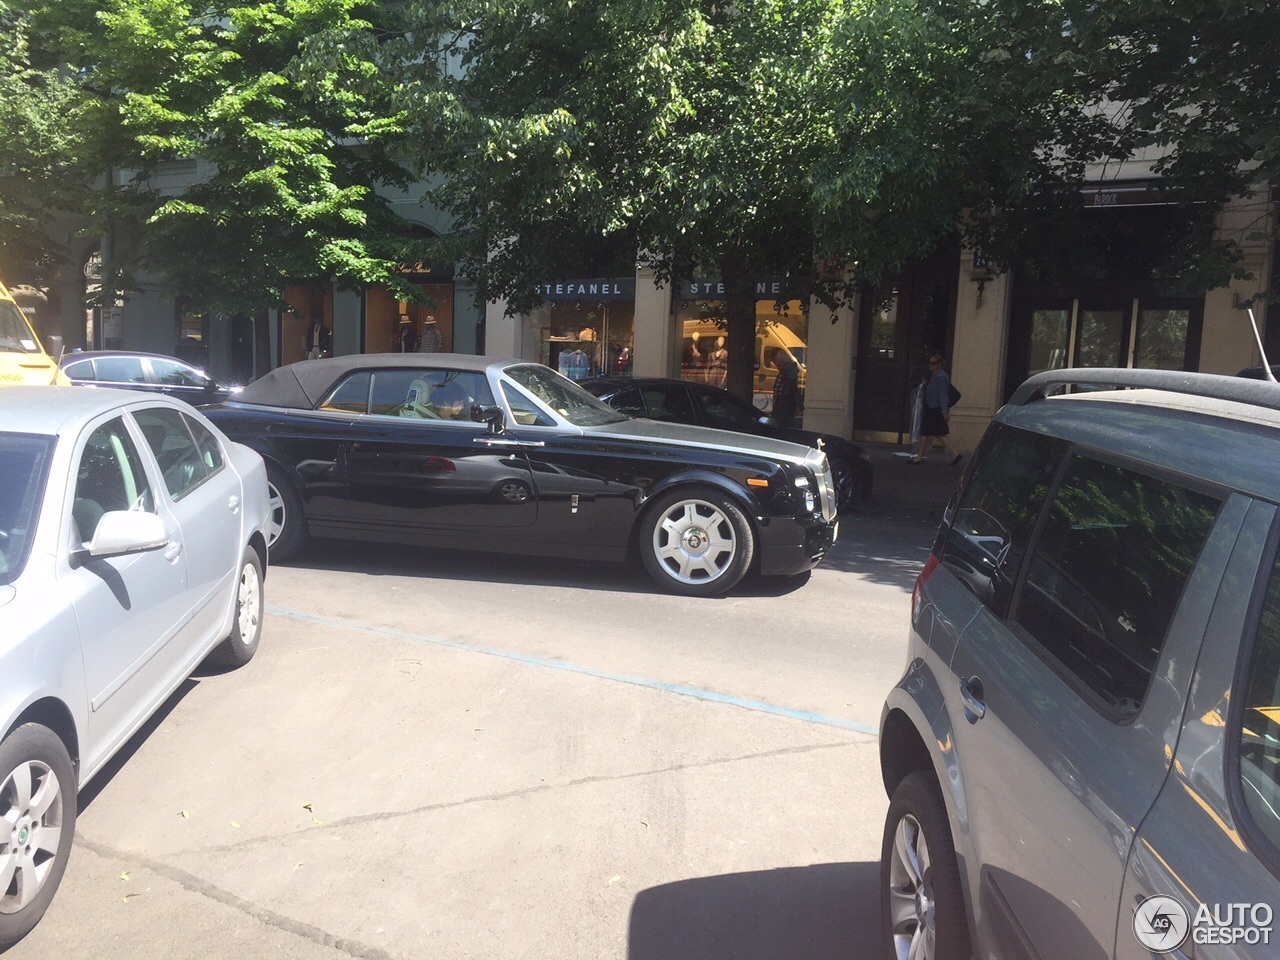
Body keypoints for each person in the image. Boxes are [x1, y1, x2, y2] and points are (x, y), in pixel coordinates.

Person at [913, 353, 963, 465]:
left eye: (933, 363)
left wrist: (944, 411)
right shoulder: (936, 376)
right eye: (930, 363)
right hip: (933, 407)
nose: (930, 365)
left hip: (934, 408)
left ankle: (920, 456)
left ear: (939, 364)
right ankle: (955, 453)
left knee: (927, 432)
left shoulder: (941, 377)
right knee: (938, 433)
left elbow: (943, 395)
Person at [771, 347, 800, 430]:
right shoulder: (787, 370)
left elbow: (792, 387)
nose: (775, 363)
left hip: (783, 400)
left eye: (776, 360)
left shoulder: (786, 370)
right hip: (785, 400)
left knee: (779, 421)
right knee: (787, 421)